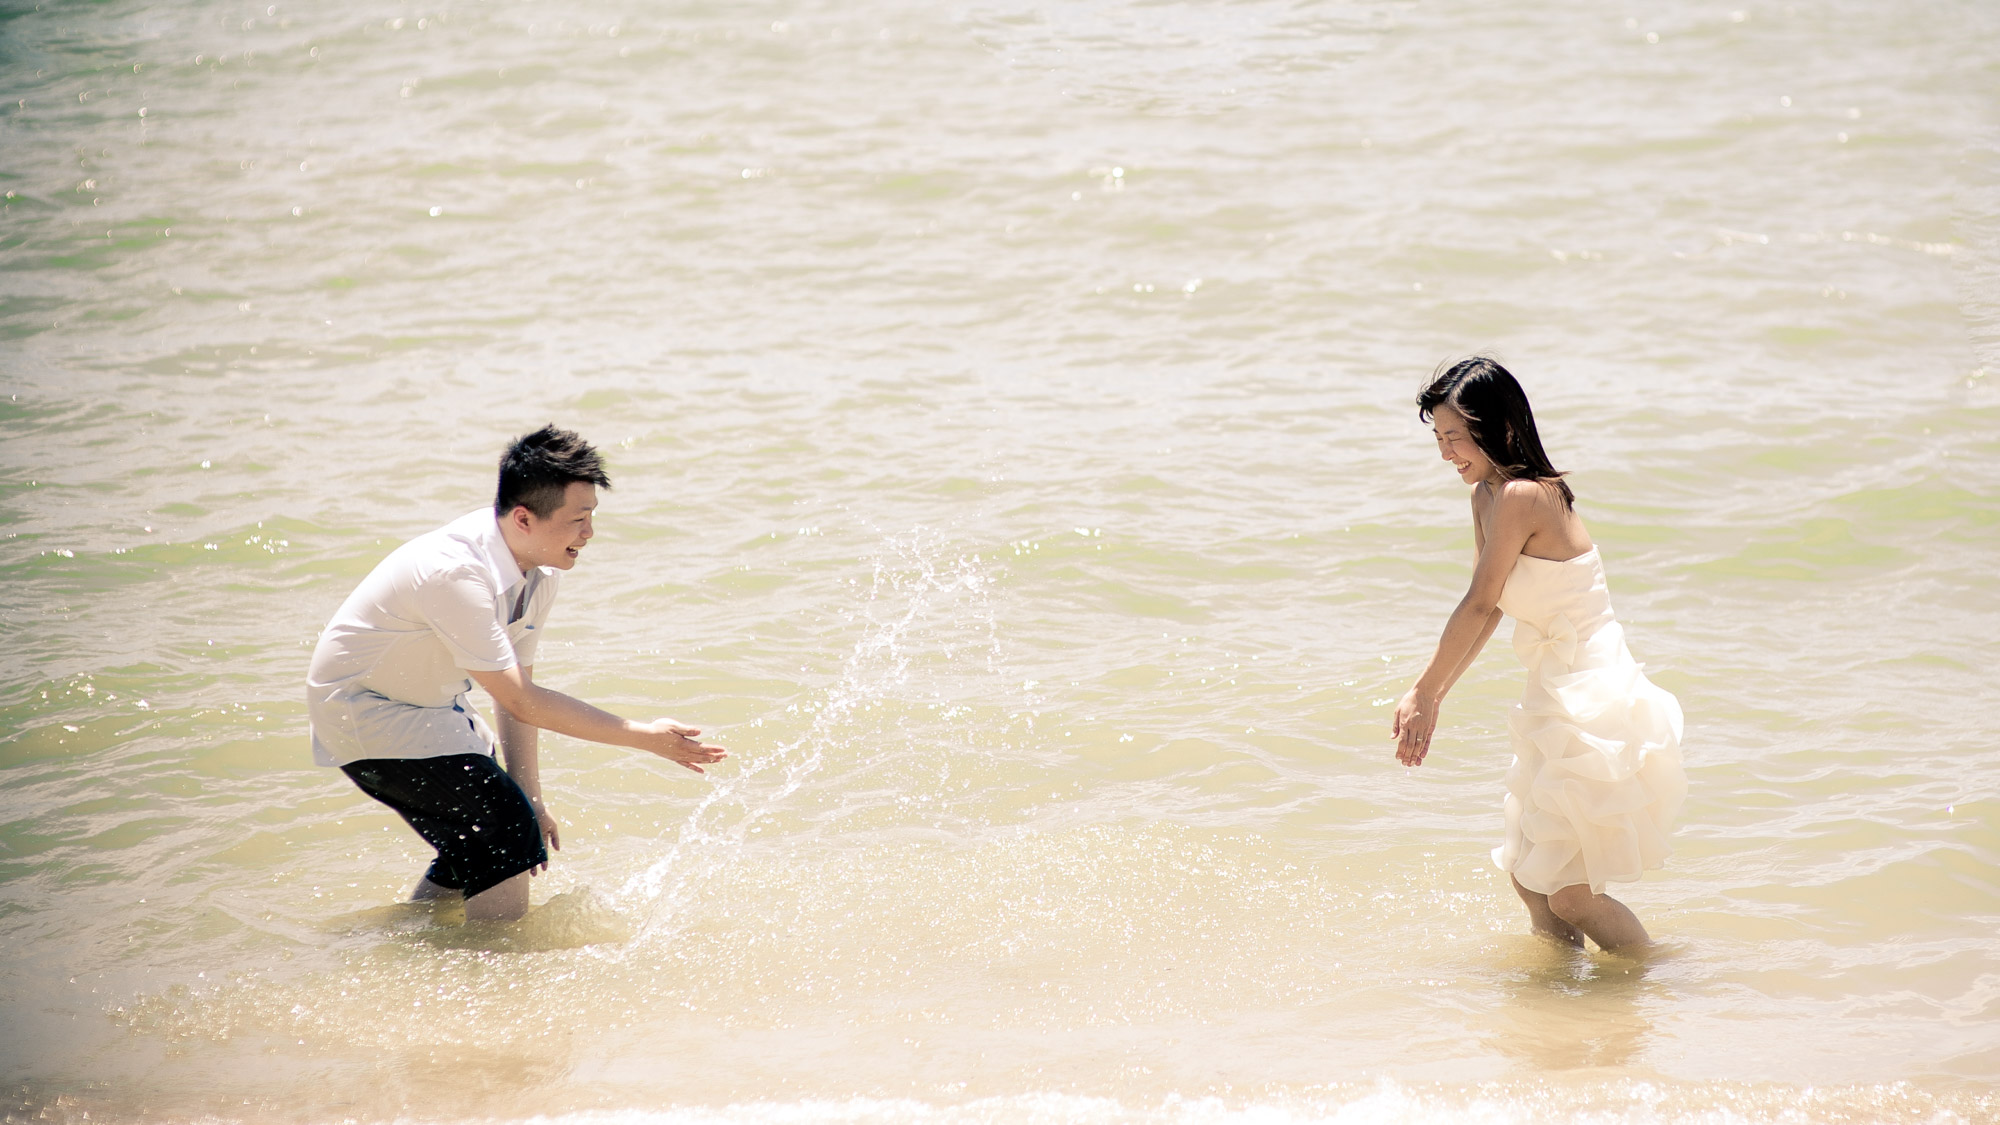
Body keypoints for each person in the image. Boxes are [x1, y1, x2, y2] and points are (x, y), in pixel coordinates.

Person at [307, 425, 726, 922]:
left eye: (592, 516)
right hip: (363, 712)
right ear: (524, 518)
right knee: (505, 830)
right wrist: (645, 737)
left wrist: (531, 796)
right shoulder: (455, 572)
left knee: (489, 832)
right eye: (578, 520)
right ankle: (499, 960)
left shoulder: (538, 572)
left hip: (433, 711)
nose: (589, 533)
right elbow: (522, 699)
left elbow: (516, 694)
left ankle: (410, 937)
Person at [1390, 358, 1685, 952]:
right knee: (1529, 880)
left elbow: (1479, 602)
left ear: (1496, 428)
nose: (1445, 453)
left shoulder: (1526, 496)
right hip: (1551, 692)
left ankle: (1651, 981)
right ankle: (1558, 999)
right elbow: (1492, 607)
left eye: (1454, 437)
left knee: (1571, 894)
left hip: (1595, 695)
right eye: (1438, 438)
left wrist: (1424, 691)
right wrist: (1435, 696)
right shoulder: (1487, 497)